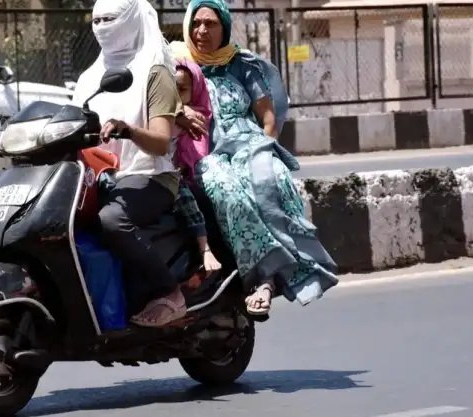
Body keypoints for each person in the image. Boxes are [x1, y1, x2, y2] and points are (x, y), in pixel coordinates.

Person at [170, 0, 339, 315]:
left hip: (250, 143)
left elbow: (268, 119)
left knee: (272, 177)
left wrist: (263, 149)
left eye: (210, 23)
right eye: (196, 23)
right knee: (224, 188)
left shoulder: (242, 65)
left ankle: (295, 266)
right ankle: (263, 277)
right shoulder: (177, 62)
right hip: (205, 152)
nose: (201, 30)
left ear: (224, 27)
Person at [71, 0, 186, 327]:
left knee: (111, 219)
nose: (101, 27)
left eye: (110, 18)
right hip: (98, 175)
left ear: (132, 19)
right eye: (96, 20)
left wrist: (129, 130)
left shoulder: (155, 72)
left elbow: (161, 142)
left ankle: (170, 292)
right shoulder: (89, 78)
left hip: (150, 175)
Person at [172, 58, 222, 274]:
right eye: (171, 89)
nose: (176, 95)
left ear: (196, 89)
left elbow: (197, 154)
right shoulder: (166, 113)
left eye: (182, 89)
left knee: (189, 197)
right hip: (160, 170)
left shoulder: (197, 117)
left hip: (186, 176)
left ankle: (205, 248)